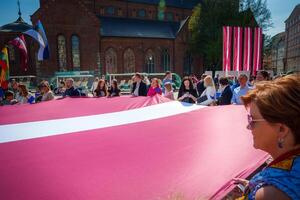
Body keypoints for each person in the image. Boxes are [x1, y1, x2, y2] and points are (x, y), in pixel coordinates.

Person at [234, 75, 300, 200]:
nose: (248, 126)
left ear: (282, 130)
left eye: (252, 119)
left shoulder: (272, 194)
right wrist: (252, 187)